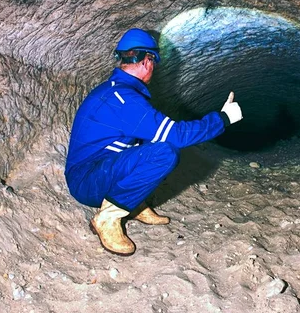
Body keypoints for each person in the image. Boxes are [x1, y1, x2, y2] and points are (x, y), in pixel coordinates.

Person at [64, 28, 243, 255]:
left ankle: (133, 204)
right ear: (147, 61)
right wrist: (223, 119)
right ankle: (107, 219)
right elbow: (177, 135)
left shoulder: (117, 92)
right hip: (87, 181)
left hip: (99, 169)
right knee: (164, 152)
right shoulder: (122, 99)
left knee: (149, 142)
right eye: (153, 62)